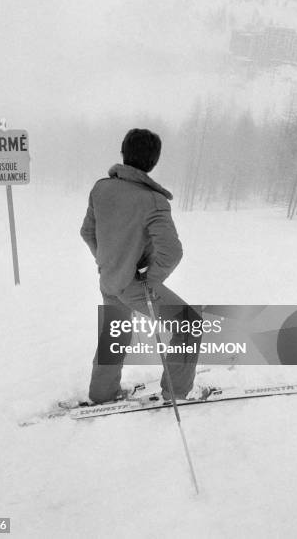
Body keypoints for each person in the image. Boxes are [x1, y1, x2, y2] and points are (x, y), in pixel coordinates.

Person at [80, 128, 201, 404]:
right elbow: (171, 252)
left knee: (116, 330)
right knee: (189, 324)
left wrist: (109, 261)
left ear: (124, 152)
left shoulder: (101, 188)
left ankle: (102, 393)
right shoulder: (152, 200)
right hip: (133, 285)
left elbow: (87, 232)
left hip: (109, 279)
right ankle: (177, 393)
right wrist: (148, 279)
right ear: (153, 162)